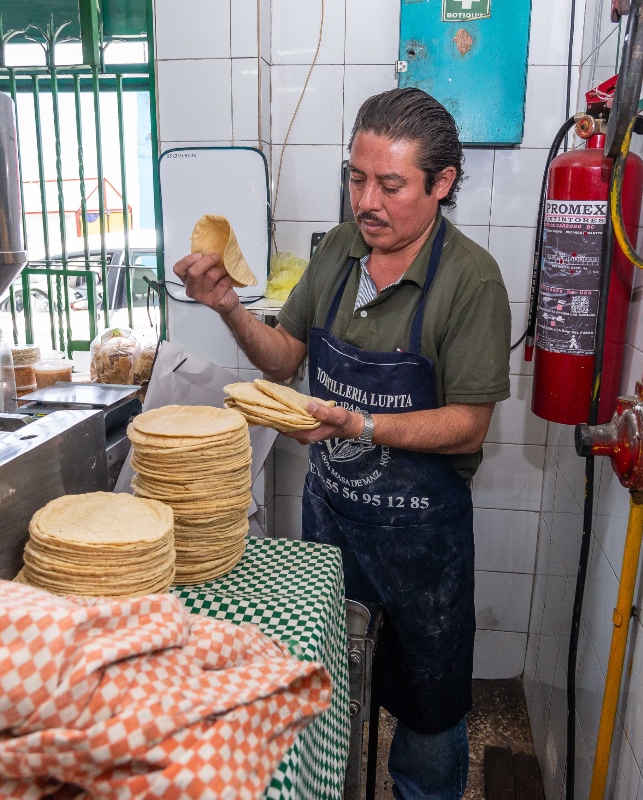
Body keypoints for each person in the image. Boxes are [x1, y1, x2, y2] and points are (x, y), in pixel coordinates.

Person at [174, 88, 511, 800]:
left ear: (441, 183)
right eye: (357, 179)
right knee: (327, 684)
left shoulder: (470, 280)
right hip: (331, 525)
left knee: (427, 704)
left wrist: (361, 424)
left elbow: (469, 423)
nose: (367, 201)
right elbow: (281, 357)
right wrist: (230, 306)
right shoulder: (335, 255)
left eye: (390, 185)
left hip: (422, 538)